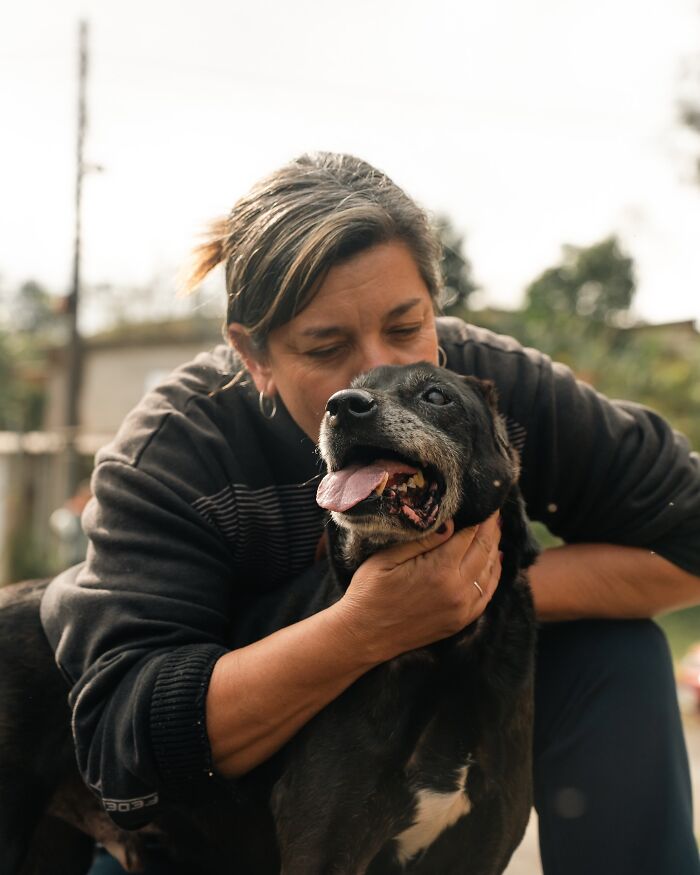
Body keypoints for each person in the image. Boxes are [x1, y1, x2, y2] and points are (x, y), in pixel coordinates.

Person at [41, 152, 700, 875]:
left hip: (457, 707)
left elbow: (688, 531)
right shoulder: (175, 451)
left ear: (435, 310)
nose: (372, 378)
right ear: (252, 355)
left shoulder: (488, 391)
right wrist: (364, 627)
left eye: (405, 326)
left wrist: (473, 599)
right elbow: (124, 746)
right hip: (223, 816)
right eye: (324, 346)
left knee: (618, 652)